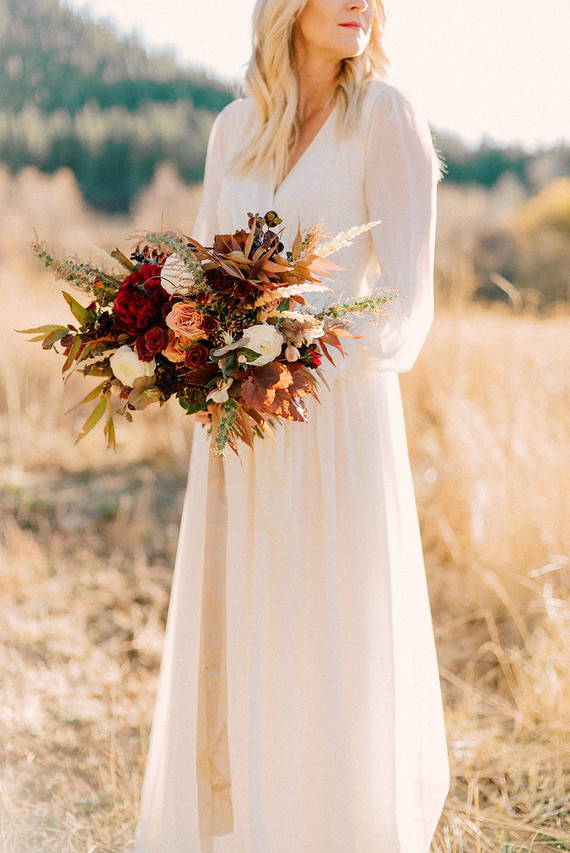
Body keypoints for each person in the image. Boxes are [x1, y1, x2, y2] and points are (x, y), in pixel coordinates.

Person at [132, 0, 449, 851]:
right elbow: (195, 269)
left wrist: (301, 367)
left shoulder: (386, 117)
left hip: (332, 424)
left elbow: (408, 307)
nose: (362, 4)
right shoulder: (234, 128)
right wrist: (179, 345)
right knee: (245, 632)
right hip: (240, 434)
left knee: (325, 640)